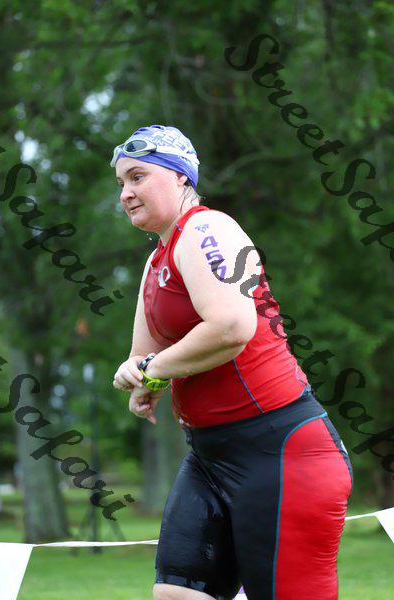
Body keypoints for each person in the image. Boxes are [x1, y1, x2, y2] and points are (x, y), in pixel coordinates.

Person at [111, 125, 353, 600]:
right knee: (177, 594)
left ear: (180, 176)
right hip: (209, 455)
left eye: (138, 177)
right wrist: (143, 378)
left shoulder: (207, 229)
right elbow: (147, 354)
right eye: (121, 183)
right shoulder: (156, 260)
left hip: (281, 452)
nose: (125, 193)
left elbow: (231, 327)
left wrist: (154, 368)